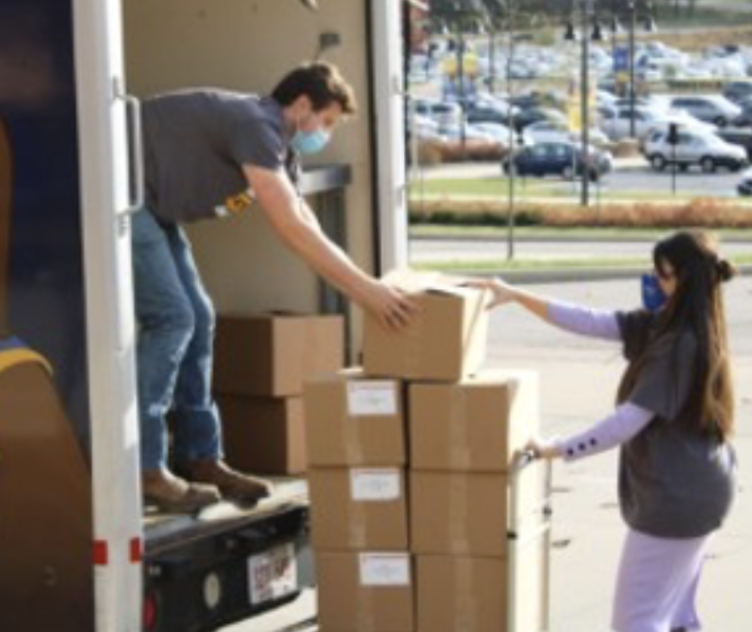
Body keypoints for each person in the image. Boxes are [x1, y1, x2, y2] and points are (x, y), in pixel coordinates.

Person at [134, 62, 415, 513]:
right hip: (125, 199)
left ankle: (201, 457)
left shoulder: (283, 152)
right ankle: (145, 468)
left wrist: (367, 287)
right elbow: (289, 227)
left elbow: (306, 223)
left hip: (157, 209)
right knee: (174, 318)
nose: (325, 133)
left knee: (199, 315)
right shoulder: (255, 124)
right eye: (325, 121)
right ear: (301, 105)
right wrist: (365, 293)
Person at [474, 230, 738, 632]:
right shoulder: (673, 326)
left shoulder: (677, 344)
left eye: (661, 274)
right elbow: (589, 320)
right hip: (701, 491)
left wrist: (555, 449)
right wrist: (516, 295)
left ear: (682, 279)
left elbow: (628, 422)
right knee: (677, 616)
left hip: (677, 501)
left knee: (635, 621)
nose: (653, 281)